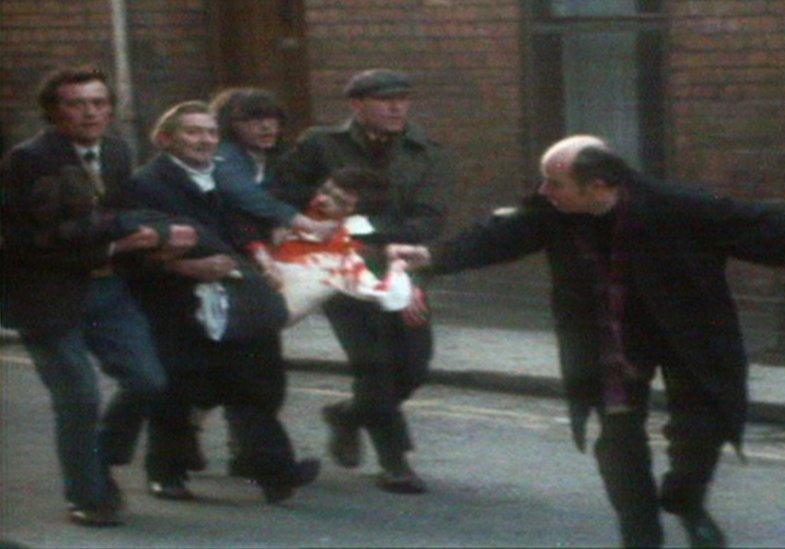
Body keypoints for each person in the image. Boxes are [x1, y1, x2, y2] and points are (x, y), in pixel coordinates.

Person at [388, 135, 785, 547]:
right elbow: (494, 238)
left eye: (555, 182)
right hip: (609, 339)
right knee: (619, 437)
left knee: (702, 429)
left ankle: (687, 498)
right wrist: (430, 259)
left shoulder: (682, 208)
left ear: (600, 185)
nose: (543, 190)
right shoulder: (552, 211)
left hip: (689, 334)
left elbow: (776, 233)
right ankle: (639, 533)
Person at [0, 66, 196, 526]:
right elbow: (26, 239)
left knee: (148, 380)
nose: (90, 113)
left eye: (98, 103)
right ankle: (87, 497)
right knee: (79, 396)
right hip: (45, 294)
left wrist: (161, 233)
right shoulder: (27, 160)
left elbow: (122, 210)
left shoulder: (116, 150)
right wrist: (116, 241)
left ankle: (100, 457)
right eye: (76, 104)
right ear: (53, 112)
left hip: (107, 290)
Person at [125, 101, 319, 503]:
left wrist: (260, 252)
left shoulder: (225, 179)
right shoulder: (146, 183)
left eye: (211, 132)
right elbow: (133, 250)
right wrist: (187, 268)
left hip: (237, 296)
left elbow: (244, 225)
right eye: (193, 132)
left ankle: (274, 473)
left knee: (257, 384)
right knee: (179, 388)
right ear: (165, 139)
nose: (205, 140)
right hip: (177, 301)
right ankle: (166, 472)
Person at [275, 68, 456, 493]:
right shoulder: (321, 145)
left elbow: (428, 220)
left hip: (399, 268)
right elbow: (284, 191)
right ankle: (397, 463)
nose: (396, 108)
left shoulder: (427, 152)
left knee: (414, 363)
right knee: (372, 362)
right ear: (357, 106)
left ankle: (348, 415)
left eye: (402, 99)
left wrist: (360, 224)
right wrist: (322, 222)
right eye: (383, 100)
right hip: (339, 270)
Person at [210, 86, 336, 241]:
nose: (266, 126)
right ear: (229, 124)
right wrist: (304, 223)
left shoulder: (278, 154)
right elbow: (243, 193)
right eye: (252, 119)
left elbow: (289, 192)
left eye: (272, 117)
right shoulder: (223, 153)